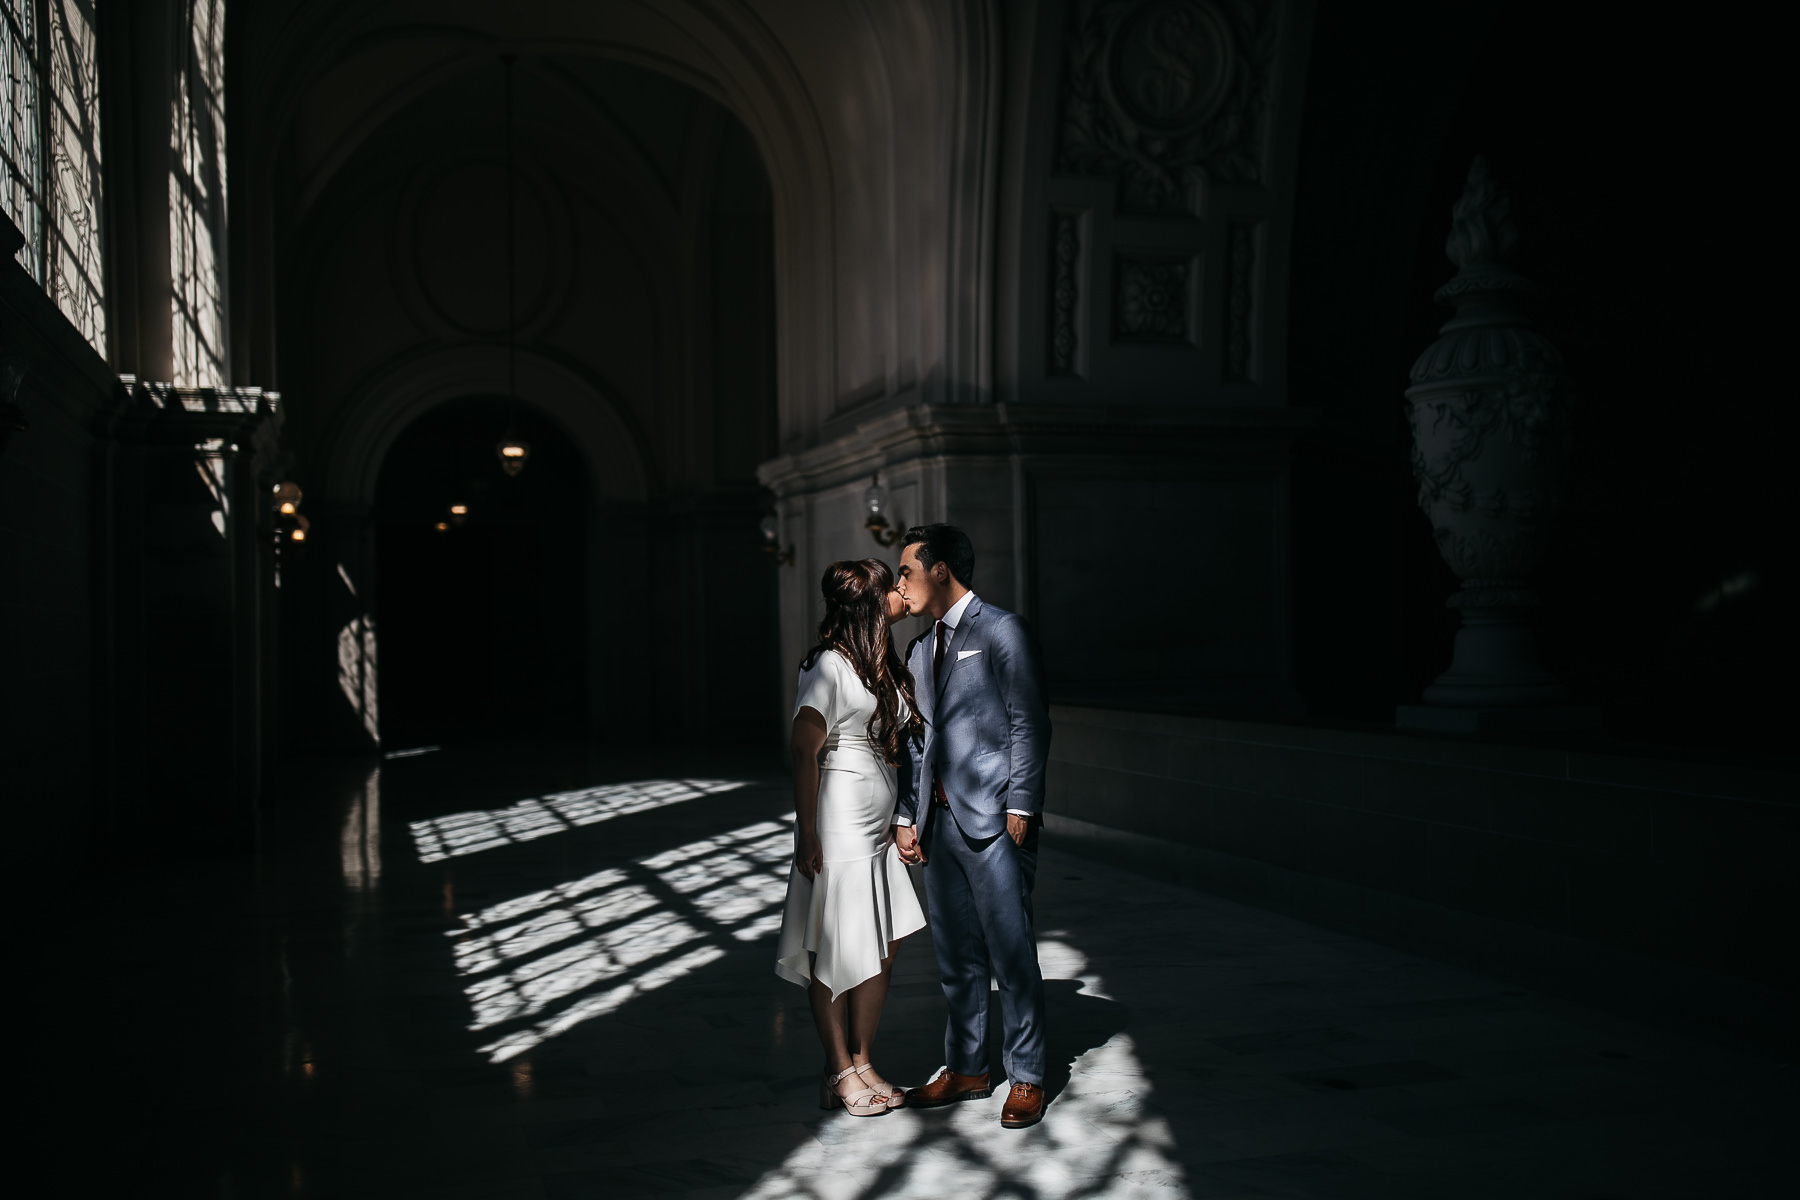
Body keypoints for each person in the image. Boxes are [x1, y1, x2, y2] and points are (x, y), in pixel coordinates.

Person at [891, 524, 1052, 1130]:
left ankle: (1029, 1076)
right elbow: (915, 743)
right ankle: (967, 1068)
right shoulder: (916, 649)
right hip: (937, 826)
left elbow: (1028, 722)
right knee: (955, 957)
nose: (899, 583)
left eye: (906, 570)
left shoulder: (1001, 631)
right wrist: (908, 814)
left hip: (994, 822)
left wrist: (1022, 807)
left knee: (1011, 952)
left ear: (939, 570)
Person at [774, 558, 929, 1117]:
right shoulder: (828, 667)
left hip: (878, 828)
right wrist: (807, 833)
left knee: (881, 946)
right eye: (892, 587)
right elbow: (802, 751)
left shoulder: (879, 661)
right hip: (839, 824)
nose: (901, 593)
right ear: (870, 602)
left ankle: (863, 1060)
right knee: (837, 944)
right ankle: (837, 1067)